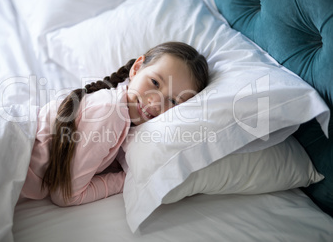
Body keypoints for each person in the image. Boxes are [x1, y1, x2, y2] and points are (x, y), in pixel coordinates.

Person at [19, 42, 209, 206]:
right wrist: (126, 180)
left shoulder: (122, 114)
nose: (155, 102)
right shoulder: (111, 114)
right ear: (136, 69)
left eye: (174, 101)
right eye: (155, 83)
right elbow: (66, 195)